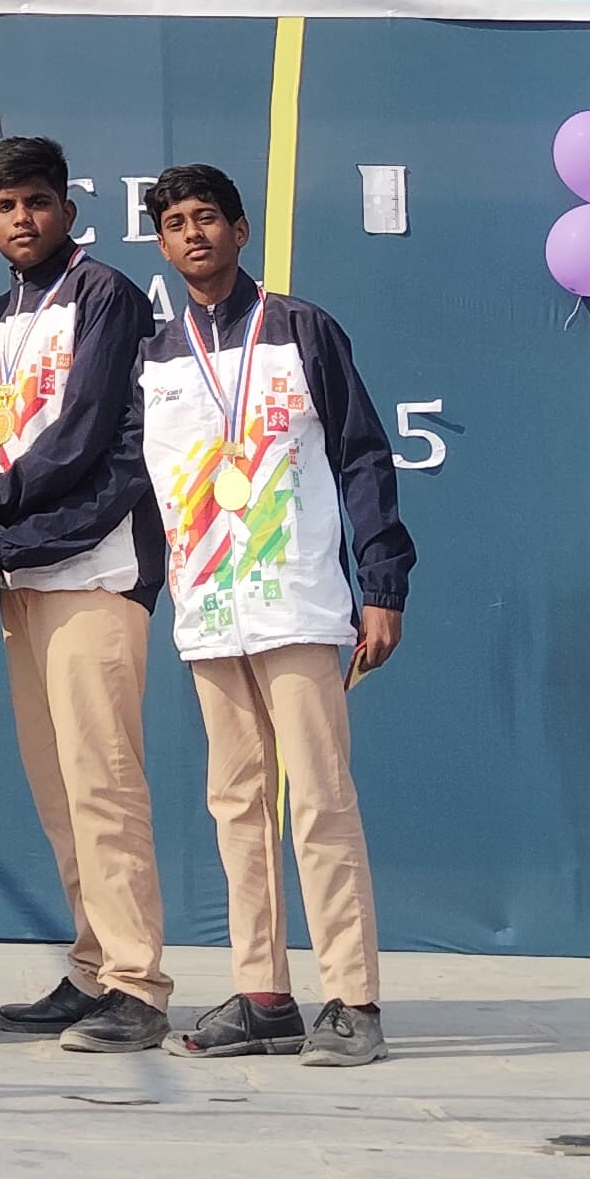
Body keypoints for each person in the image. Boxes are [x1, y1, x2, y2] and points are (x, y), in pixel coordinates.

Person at [136, 163, 413, 1068]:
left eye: (207, 218)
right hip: (210, 608)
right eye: (175, 223)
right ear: (162, 244)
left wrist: (382, 582)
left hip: (297, 601)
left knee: (321, 799)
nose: (193, 234)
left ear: (240, 230)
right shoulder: (155, 354)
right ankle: (263, 994)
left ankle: (353, 998)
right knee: (236, 806)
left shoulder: (301, 329)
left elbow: (364, 457)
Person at [0, 135, 176, 1054]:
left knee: (104, 781)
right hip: (24, 572)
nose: (21, 218)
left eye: (37, 201)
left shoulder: (105, 295)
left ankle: (138, 983)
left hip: (96, 570)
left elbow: (84, 441)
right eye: (4, 206)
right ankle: (94, 964)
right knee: (59, 785)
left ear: (68, 209)